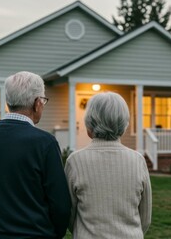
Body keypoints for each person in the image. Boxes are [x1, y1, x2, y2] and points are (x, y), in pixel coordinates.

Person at [0, 71, 71, 239]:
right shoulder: (45, 143)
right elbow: (60, 205)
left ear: (8, 102)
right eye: (43, 100)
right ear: (37, 103)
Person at [64, 92, 152, 239]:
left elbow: (69, 214)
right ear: (124, 124)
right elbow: (145, 217)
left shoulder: (75, 161)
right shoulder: (138, 160)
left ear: (89, 124)